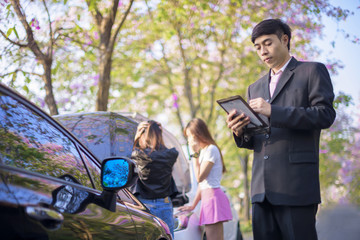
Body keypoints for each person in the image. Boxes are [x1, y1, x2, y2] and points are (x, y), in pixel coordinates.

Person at [226, 19, 336, 240]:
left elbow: (325, 115)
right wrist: (240, 132)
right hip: (261, 191)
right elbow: (257, 136)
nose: (263, 51)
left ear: (285, 40)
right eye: (257, 47)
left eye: (268, 43)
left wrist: (273, 111)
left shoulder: (312, 71)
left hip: (296, 186)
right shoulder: (254, 87)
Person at [178, 118, 232, 240]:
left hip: (213, 198)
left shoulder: (211, 149)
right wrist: (193, 205)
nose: (189, 141)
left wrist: (194, 155)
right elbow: (203, 185)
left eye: (190, 136)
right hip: (208, 198)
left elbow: (200, 177)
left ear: (198, 134)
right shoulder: (204, 151)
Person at [130, 120, 179, 237]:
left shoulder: (139, 155)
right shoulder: (170, 155)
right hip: (165, 203)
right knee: (167, 237)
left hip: (144, 204)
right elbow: (170, 150)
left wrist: (137, 135)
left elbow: (133, 151)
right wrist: (158, 134)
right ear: (159, 135)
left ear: (142, 135)